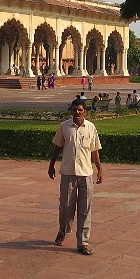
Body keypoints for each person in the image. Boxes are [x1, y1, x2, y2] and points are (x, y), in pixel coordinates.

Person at [49, 99, 103, 255]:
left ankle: (83, 242)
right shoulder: (64, 127)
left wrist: (99, 169)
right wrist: (51, 164)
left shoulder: (91, 128)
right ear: (71, 111)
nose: (77, 112)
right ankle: (63, 230)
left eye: (80, 110)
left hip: (86, 174)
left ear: (85, 112)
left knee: (85, 209)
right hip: (68, 173)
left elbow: (95, 151)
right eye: (74, 110)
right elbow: (58, 146)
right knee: (66, 207)